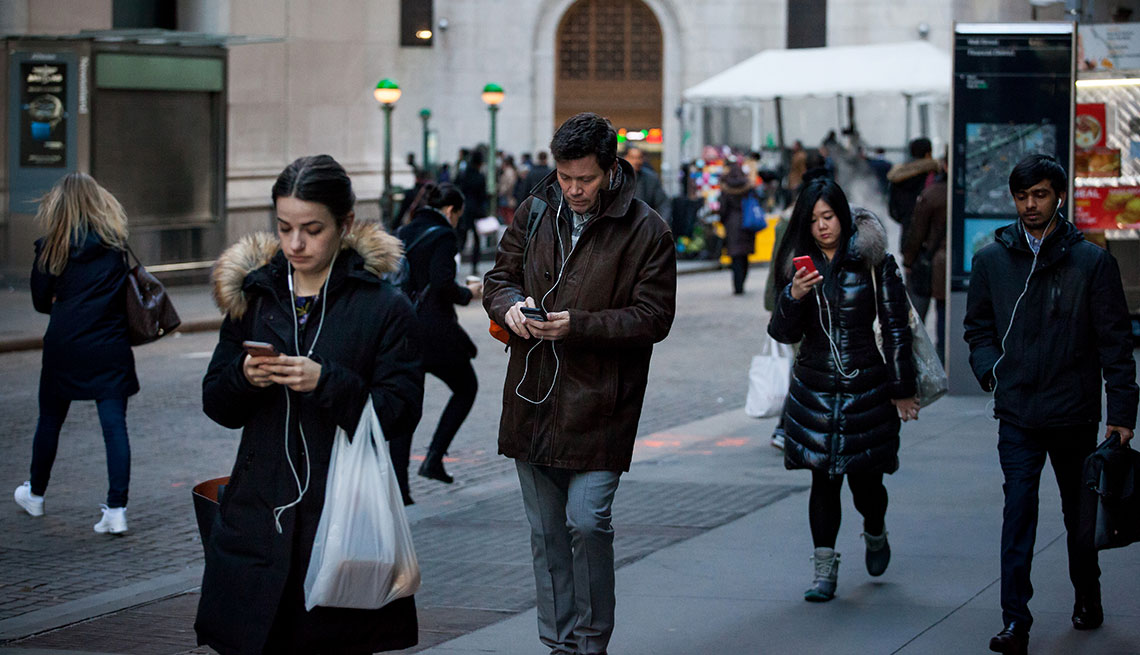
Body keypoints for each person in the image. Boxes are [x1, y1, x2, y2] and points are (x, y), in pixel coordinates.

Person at [195, 154, 423, 654]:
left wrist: (328, 382)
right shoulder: (253, 297)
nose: (295, 244)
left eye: (312, 229)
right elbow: (217, 403)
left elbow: (401, 410)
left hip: (339, 519)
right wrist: (244, 375)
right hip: (258, 515)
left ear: (344, 225)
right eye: (284, 228)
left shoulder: (383, 307)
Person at [483, 112, 676, 655]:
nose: (574, 189)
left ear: (611, 169)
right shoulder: (536, 209)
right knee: (546, 535)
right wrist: (511, 307)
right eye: (565, 177)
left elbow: (654, 318)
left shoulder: (647, 230)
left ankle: (591, 642)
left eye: (585, 179)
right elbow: (500, 278)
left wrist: (579, 325)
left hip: (601, 403)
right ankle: (558, 643)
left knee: (587, 522)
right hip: (533, 396)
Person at [964, 154, 1137, 655]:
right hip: (1017, 412)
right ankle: (1015, 621)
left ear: (1058, 195)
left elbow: (1115, 343)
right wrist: (989, 368)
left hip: (1072, 412)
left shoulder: (1090, 262)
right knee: (1018, 512)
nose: (1030, 205)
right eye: (1022, 196)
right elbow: (977, 327)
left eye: (1040, 194)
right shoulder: (992, 259)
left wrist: (1121, 415)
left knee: (1077, 515)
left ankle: (1088, 595)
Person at [768, 177, 918, 603]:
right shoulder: (798, 265)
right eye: (813, 220)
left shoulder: (874, 262)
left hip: (866, 391)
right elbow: (781, 333)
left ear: (844, 216)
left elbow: (895, 329)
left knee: (867, 485)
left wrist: (902, 389)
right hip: (814, 390)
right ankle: (824, 572)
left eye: (829, 217)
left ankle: (875, 530)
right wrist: (793, 296)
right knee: (823, 480)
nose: (822, 227)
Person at [13, 173, 139, 534]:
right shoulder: (116, 246)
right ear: (99, 203)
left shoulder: (51, 247)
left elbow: (40, 302)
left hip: (65, 346)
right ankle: (116, 511)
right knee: (114, 428)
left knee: (49, 421)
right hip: (109, 346)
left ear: (60, 206)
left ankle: (35, 496)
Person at [397, 182, 482, 485]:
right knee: (467, 387)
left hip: (403, 328)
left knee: (409, 407)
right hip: (434, 330)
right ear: (450, 210)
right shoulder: (444, 235)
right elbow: (442, 282)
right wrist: (468, 293)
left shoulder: (404, 231)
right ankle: (433, 458)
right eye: (458, 214)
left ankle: (399, 485)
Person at [902, 160, 948, 360]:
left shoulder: (932, 194)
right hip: (951, 263)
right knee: (945, 314)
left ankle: (917, 359)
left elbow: (917, 231)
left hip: (932, 262)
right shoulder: (968, 192)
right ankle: (944, 357)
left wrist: (909, 260)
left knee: (917, 314)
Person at [887, 137, 938, 253]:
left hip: (907, 238)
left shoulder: (897, 177)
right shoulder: (934, 174)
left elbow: (893, 210)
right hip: (931, 239)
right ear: (928, 153)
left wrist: (906, 219)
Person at [719, 162, 759, 295]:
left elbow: (723, 209)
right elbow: (757, 201)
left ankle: (737, 285)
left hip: (732, 224)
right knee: (745, 255)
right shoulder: (748, 186)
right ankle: (742, 281)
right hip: (747, 222)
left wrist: (723, 220)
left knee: (735, 256)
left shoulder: (725, 187)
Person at [455, 149, 488, 276]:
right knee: (476, 240)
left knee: (461, 239)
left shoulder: (463, 175)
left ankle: (456, 262)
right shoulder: (480, 177)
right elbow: (483, 196)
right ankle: (474, 265)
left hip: (463, 210)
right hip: (476, 211)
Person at [625, 146, 672, 224]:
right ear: (625, 158)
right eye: (632, 158)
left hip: (645, 224)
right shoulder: (617, 177)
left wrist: (662, 224)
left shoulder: (651, 178)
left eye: (639, 158)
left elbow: (663, 203)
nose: (636, 161)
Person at [498, 154, 520, 224]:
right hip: (508, 196)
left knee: (507, 213)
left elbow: (509, 184)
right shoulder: (511, 171)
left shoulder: (509, 172)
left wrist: (502, 191)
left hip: (507, 196)